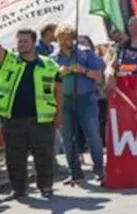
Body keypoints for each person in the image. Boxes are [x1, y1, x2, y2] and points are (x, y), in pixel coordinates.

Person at [0, 29, 63, 199]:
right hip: (13, 118)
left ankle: (46, 187)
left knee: (44, 155)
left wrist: (59, 116)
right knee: (14, 156)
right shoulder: (9, 60)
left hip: (42, 118)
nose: (20, 44)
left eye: (24, 41)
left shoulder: (49, 64)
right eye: (18, 41)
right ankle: (19, 189)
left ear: (34, 43)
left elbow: (58, 90)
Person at [52, 24, 105, 186]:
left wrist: (83, 70)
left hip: (86, 99)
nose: (65, 42)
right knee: (67, 138)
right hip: (65, 100)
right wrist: (58, 74)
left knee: (93, 135)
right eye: (62, 38)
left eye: (69, 38)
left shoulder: (86, 53)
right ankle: (75, 173)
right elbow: (49, 80)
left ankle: (99, 169)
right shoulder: (54, 58)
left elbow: (99, 75)